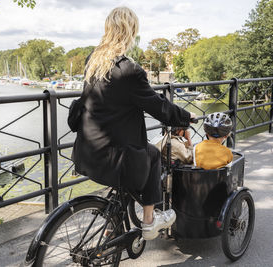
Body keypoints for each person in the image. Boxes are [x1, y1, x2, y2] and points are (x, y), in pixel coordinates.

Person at [71, 7, 195, 241]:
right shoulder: (129, 70)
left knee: (135, 157)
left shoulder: (94, 60)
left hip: (86, 151)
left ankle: (112, 225)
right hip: (114, 158)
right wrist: (185, 117)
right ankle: (149, 221)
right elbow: (159, 107)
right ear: (131, 32)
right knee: (153, 154)